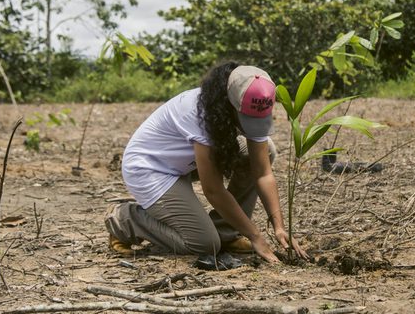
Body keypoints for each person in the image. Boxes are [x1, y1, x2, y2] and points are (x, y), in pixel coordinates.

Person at [105, 61, 307, 264]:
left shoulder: (254, 103)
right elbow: (213, 190)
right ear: (231, 104)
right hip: (152, 168)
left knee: (266, 150)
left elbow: (263, 173)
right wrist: (255, 236)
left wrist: (279, 226)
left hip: (186, 161)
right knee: (204, 244)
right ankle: (126, 219)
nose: (251, 127)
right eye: (246, 120)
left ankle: (226, 233)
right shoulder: (201, 114)